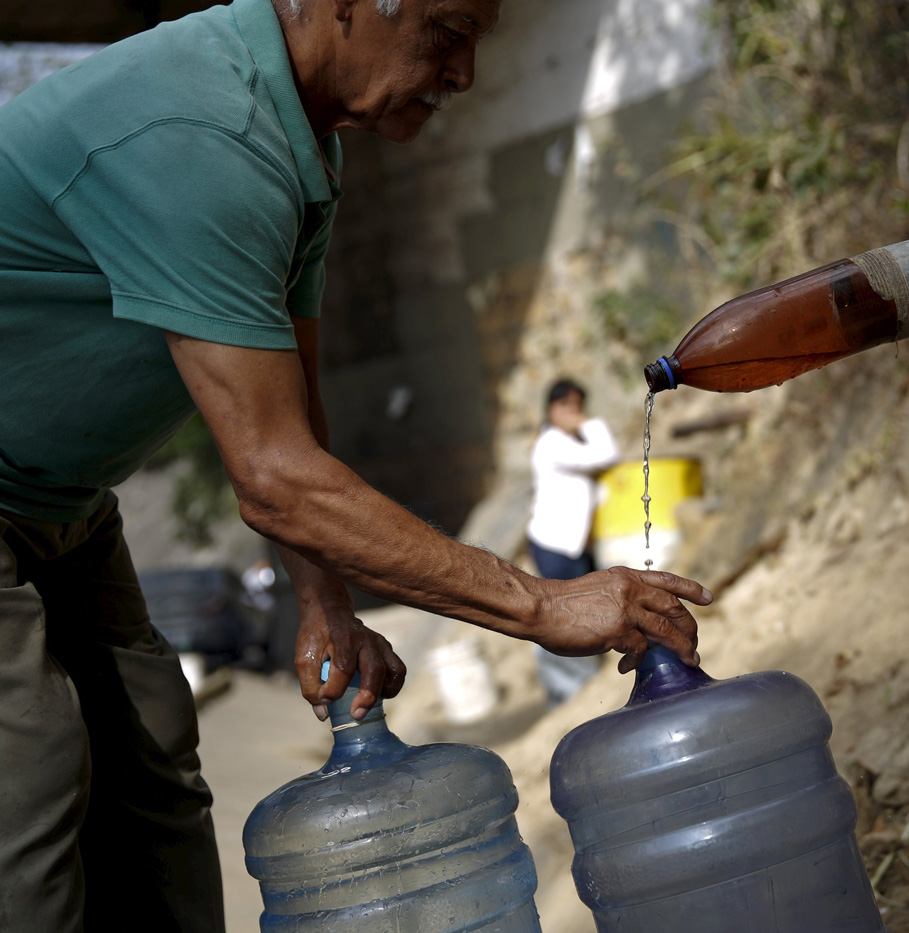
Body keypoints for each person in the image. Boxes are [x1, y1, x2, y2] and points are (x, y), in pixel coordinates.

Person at [0, 0, 709, 930]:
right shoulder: (200, 132)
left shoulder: (302, 150)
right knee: (32, 773)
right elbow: (272, 474)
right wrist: (540, 603)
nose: (463, 75)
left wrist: (326, 603)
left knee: (152, 754)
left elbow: (292, 414)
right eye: (447, 33)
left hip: (64, 501)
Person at [526, 379, 619, 704]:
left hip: (574, 546)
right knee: (559, 613)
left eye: (579, 407)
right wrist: (589, 422)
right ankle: (567, 692)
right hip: (554, 545)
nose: (575, 414)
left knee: (579, 608)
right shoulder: (552, 444)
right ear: (552, 410)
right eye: (568, 407)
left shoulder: (571, 445)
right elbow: (608, 455)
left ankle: (584, 681)